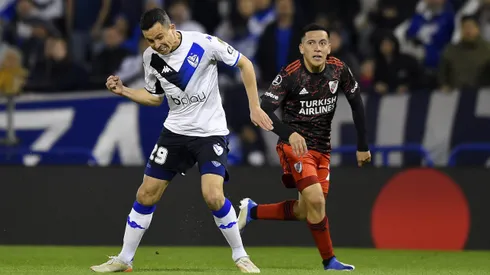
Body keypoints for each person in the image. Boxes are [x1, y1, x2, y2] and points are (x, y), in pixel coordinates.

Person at [90, 8, 273, 273]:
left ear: (172, 27)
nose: (157, 44)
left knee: (213, 195)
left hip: (210, 132)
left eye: (160, 37)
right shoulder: (150, 57)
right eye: (150, 40)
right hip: (175, 132)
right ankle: (124, 259)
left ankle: (241, 255)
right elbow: (155, 98)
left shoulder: (203, 43)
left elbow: (245, 63)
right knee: (146, 193)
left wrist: (254, 106)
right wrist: (124, 90)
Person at [237, 23, 371, 271]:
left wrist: (362, 145)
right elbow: (262, 111)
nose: (317, 48)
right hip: (294, 148)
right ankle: (329, 261)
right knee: (317, 203)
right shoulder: (290, 74)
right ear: (302, 48)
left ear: (329, 47)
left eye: (322, 43)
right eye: (311, 43)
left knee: (305, 210)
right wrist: (290, 134)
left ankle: (253, 211)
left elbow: (357, 103)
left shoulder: (339, 70)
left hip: (323, 149)